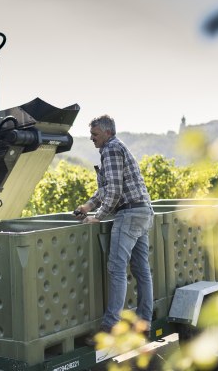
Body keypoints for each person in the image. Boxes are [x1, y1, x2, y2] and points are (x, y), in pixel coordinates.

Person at [74, 115, 154, 335]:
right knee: (142, 271)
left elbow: (115, 191)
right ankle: (145, 324)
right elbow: (107, 189)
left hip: (128, 214)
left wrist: (98, 216)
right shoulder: (117, 147)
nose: (91, 138)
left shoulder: (110, 149)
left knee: (117, 269)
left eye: (95, 134)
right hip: (143, 212)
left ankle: (110, 326)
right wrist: (87, 206)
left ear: (107, 133)